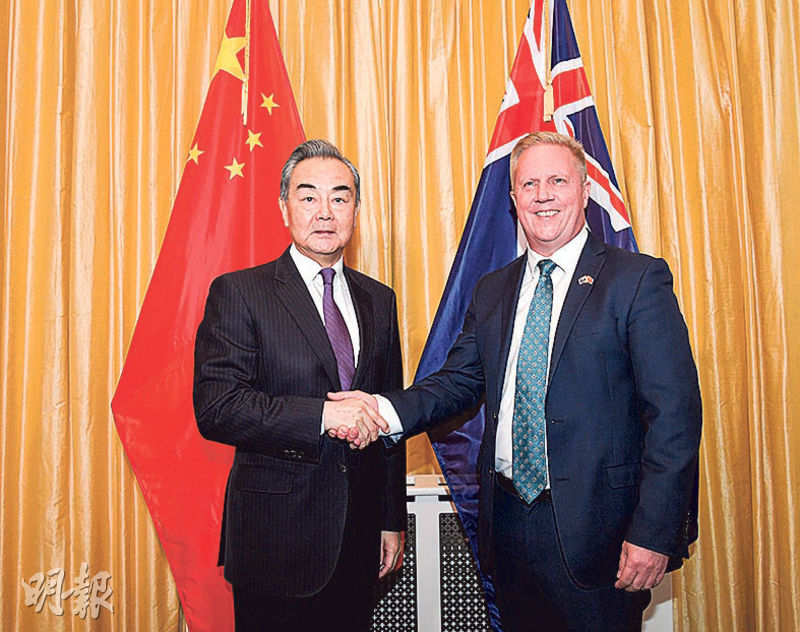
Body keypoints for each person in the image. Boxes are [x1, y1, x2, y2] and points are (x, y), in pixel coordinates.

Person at [330, 131, 702, 631]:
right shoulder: (493, 289)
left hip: (601, 537)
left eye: (557, 181)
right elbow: (455, 383)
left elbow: (675, 417)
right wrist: (380, 411)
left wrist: (654, 533)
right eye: (529, 184)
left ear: (584, 190)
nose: (543, 195)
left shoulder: (635, 280)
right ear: (513, 198)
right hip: (507, 528)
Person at [193, 139, 406, 632]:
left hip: (359, 540)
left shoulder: (379, 300)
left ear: (356, 210)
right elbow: (217, 407)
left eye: (340, 197)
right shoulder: (240, 292)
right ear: (284, 208)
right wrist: (323, 415)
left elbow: (389, 414)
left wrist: (391, 517)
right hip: (276, 542)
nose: (325, 211)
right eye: (309, 196)